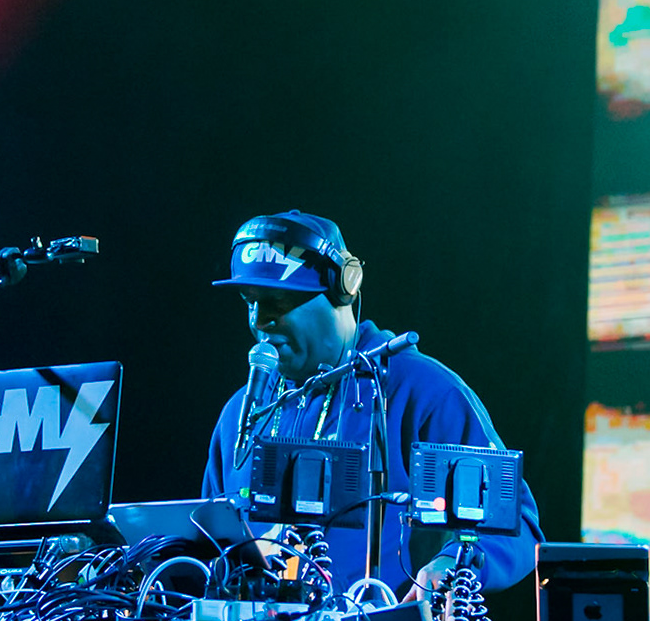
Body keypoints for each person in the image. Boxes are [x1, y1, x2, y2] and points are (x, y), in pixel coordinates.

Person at [201, 210, 541, 597]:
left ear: (342, 289)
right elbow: (208, 537)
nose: (260, 321)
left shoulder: (422, 391)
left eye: (276, 303)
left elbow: (519, 527)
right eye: (250, 302)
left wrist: (455, 566)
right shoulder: (240, 414)